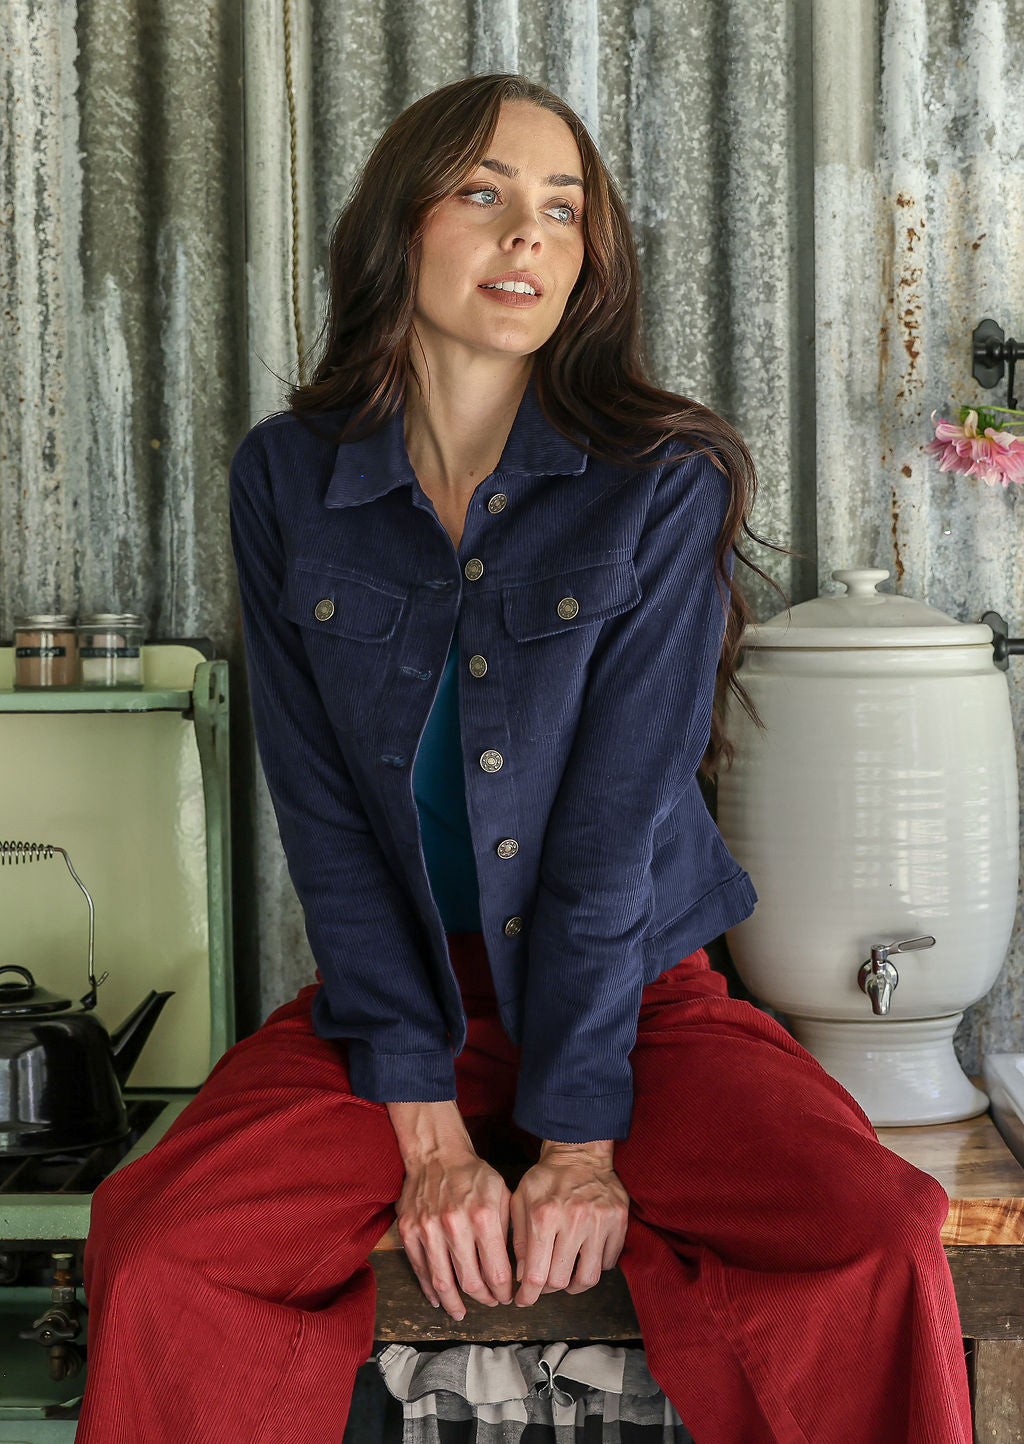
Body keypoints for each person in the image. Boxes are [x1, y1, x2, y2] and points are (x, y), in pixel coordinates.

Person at [77, 73, 972, 1444]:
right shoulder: (286, 480)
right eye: (485, 194)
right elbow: (321, 818)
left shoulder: (663, 481)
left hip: (638, 996)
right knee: (158, 1245)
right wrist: (428, 1138)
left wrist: (574, 1146)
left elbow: (616, 828)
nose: (531, 238)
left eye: (565, 210)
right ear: (396, 228)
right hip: (396, 1010)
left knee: (877, 1232)